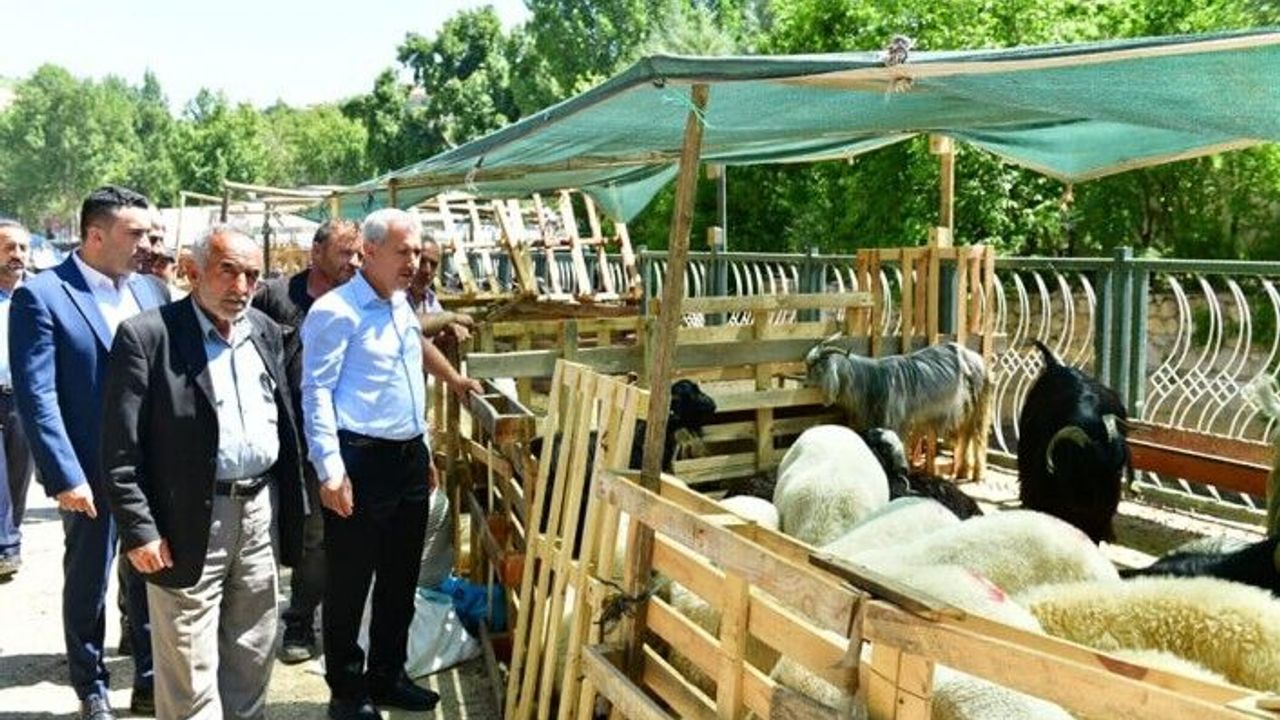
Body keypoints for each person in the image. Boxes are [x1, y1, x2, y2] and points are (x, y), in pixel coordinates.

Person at [100, 224, 305, 720]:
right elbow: (119, 450)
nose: (241, 287)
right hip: (186, 519)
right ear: (192, 273)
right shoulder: (148, 336)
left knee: (252, 649)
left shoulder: (263, 331)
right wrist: (141, 531)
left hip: (258, 513)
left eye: (252, 275)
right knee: (189, 666)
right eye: (228, 271)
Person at [10, 186, 168, 720]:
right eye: (136, 234)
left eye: (149, 233)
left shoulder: (151, 290)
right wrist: (63, 474)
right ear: (95, 235)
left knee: (150, 571)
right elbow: (38, 395)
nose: (147, 243)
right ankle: (90, 680)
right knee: (88, 579)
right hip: (88, 470)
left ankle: (148, 675)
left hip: (149, 467)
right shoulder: (44, 295)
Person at [300, 208, 443, 720]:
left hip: (405, 457)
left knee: (402, 578)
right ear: (372, 251)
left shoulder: (402, 305)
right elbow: (315, 393)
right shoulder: (337, 311)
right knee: (350, 582)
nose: (414, 262)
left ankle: (388, 674)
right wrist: (330, 470)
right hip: (359, 460)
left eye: (416, 251)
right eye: (403, 252)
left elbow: (407, 382)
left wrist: (422, 447)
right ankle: (346, 688)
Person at [252, 218, 362, 664]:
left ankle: (311, 619)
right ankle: (279, 619)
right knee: (289, 530)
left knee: (327, 532)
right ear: (315, 254)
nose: (353, 262)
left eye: (358, 254)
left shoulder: (361, 300)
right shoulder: (275, 298)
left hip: (339, 436)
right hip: (281, 435)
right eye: (344, 253)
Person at [0, 219, 33, 581]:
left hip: (23, 401)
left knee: (17, 477)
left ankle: (10, 538)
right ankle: (6, 547)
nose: (18, 255)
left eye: (23, 248)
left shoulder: (37, 296)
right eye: (10, 247)